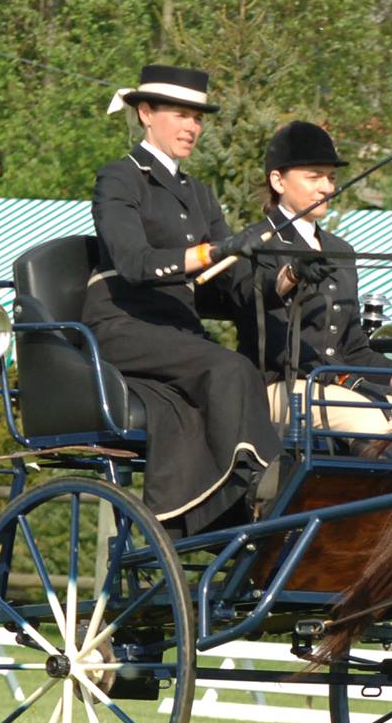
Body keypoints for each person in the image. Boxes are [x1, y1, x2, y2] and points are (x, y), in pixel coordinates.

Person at [83, 63, 278, 533]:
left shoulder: (199, 194)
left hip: (175, 331)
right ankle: (257, 479)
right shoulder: (120, 179)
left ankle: (215, 516)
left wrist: (283, 276)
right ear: (146, 113)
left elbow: (228, 283)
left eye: (198, 117)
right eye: (181, 115)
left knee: (231, 371)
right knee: (230, 368)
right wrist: (213, 250)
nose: (193, 127)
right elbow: (133, 262)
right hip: (123, 325)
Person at [227, 120, 392, 450]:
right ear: (278, 180)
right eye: (314, 177)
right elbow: (255, 294)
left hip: (338, 388)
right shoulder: (254, 243)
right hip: (275, 387)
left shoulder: (341, 251)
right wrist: (292, 274)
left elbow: (352, 347)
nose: (327, 188)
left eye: (331, 177)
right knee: (370, 425)